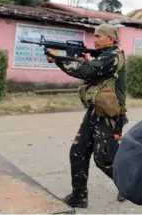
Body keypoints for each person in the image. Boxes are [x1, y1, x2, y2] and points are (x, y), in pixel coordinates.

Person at [46, 23, 128, 208]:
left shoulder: (113, 57)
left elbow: (86, 71)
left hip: (109, 116)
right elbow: (91, 74)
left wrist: (58, 58)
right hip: (94, 113)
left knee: (104, 160)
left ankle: (128, 185)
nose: (95, 40)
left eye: (99, 36)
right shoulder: (104, 57)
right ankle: (79, 196)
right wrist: (79, 60)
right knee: (78, 152)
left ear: (110, 39)